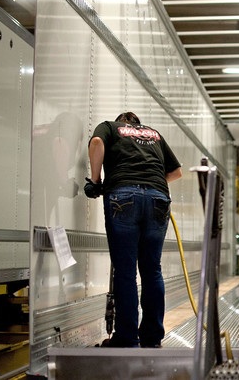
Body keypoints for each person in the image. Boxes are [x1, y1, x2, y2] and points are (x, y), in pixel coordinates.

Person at [85, 112, 182, 348]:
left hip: (123, 196)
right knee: (152, 270)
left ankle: (127, 338)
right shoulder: (154, 134)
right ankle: (152, 337)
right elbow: (176, 172)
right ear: (139, 125)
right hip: (158, 199)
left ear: (122, 122)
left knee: (126, 271)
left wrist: (96, 181)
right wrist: (150, 186)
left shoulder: (109, 127)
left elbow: (97, 144)